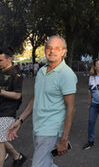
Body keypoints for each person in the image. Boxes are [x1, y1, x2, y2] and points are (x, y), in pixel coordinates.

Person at [7, 35, 77, 167]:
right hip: (38, 127)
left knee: (38, 165)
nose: (52, 51)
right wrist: (20, 120)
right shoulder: (41, 71)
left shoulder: (66, 74)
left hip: (51, 130)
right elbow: (36, 98)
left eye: (57, 48)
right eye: (49, 48)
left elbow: (71, 108)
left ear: (63, 52)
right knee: (47, 164)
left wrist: (64, 139)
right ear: (45, 50)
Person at [0, 47, 27, 167]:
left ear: (9, 59)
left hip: (7, 111)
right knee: (1, 139)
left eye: (0, 60)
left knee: (0, 142)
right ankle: (17, 157)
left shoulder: (16, 74)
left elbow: (17, 95)